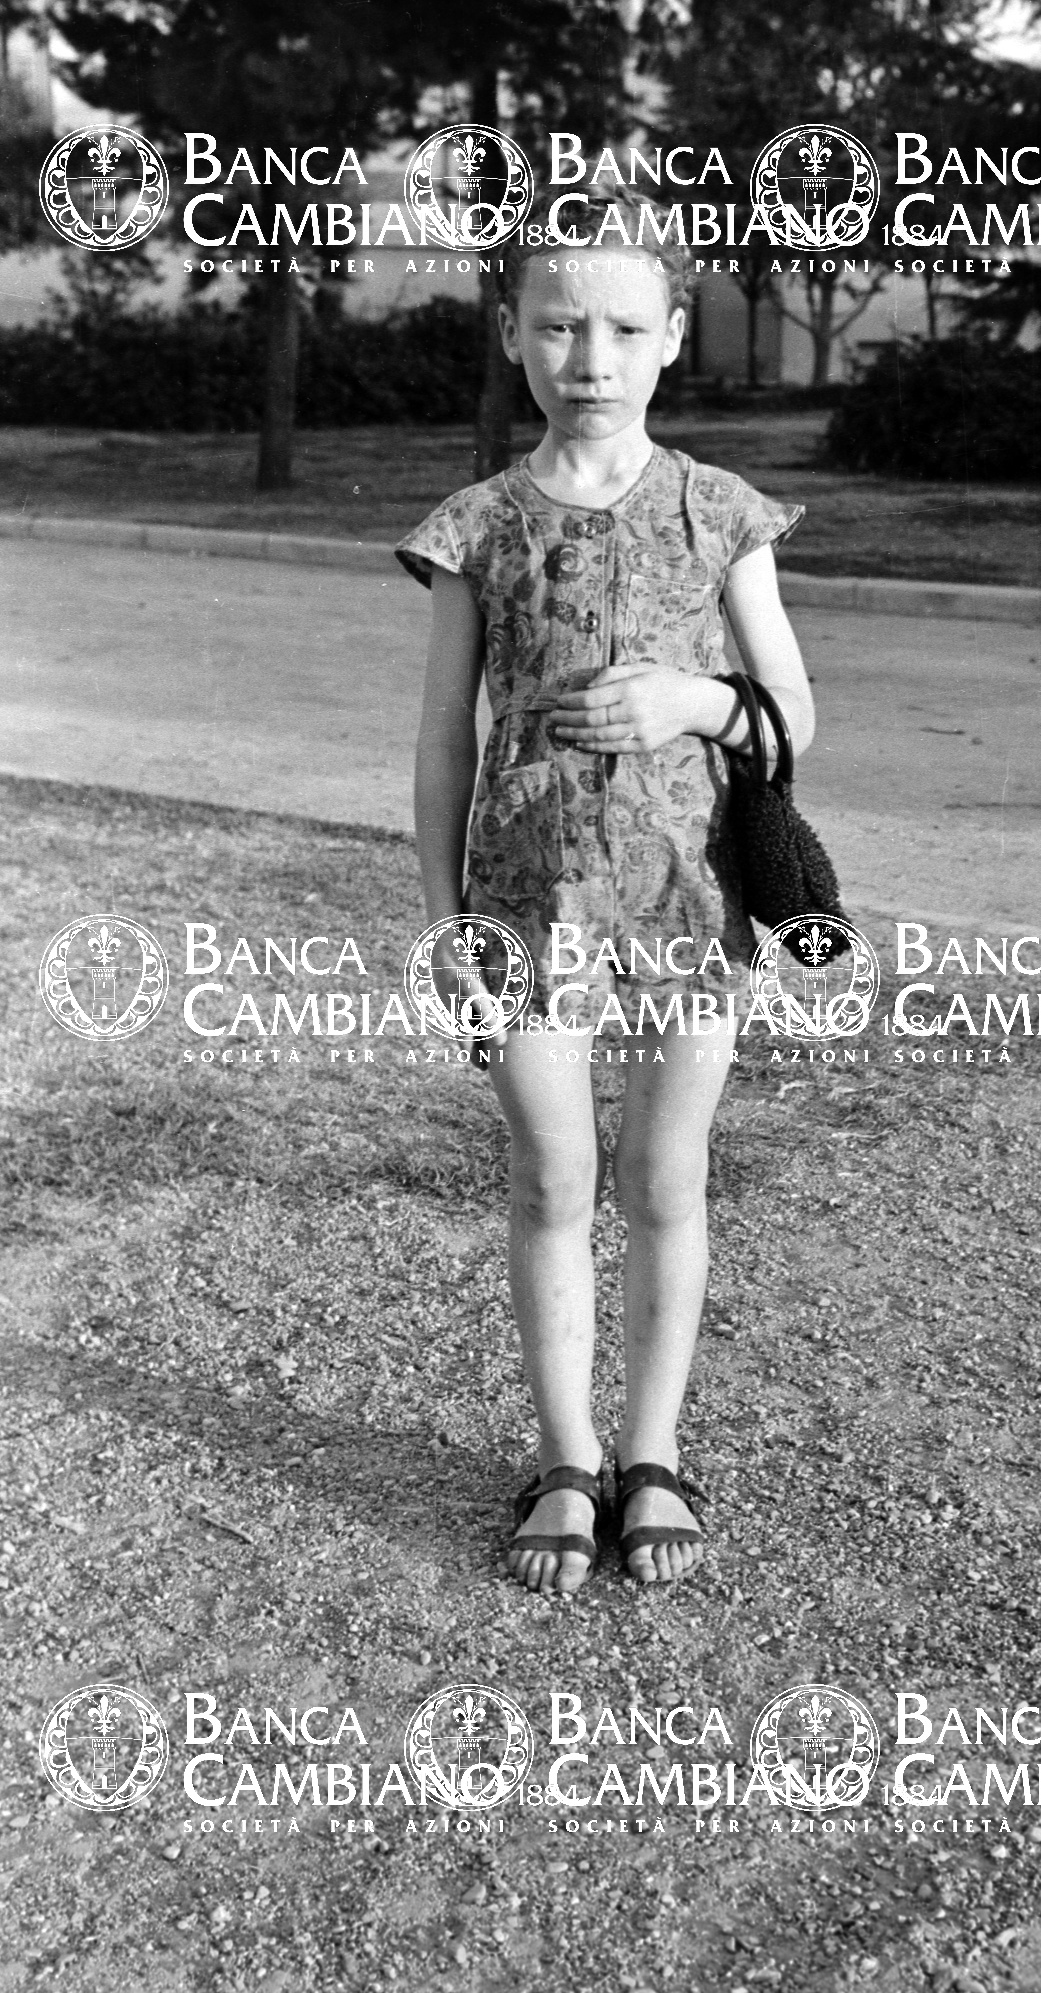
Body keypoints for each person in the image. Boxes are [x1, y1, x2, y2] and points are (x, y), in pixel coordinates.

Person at [398, 182, 815, 1594]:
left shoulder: (720, 512)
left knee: (663, 1179)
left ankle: (655, 1454)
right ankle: (568, 1461)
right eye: (560, 326)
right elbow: (442, 737)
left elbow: (794, 717)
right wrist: (445, 919)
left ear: (674, 335)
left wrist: (693, 702)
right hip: (525, 906)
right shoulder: (474, 526)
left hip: (691, 902)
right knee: (550, 1179)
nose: (591, 358)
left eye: (625, 328)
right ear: (513, 335)